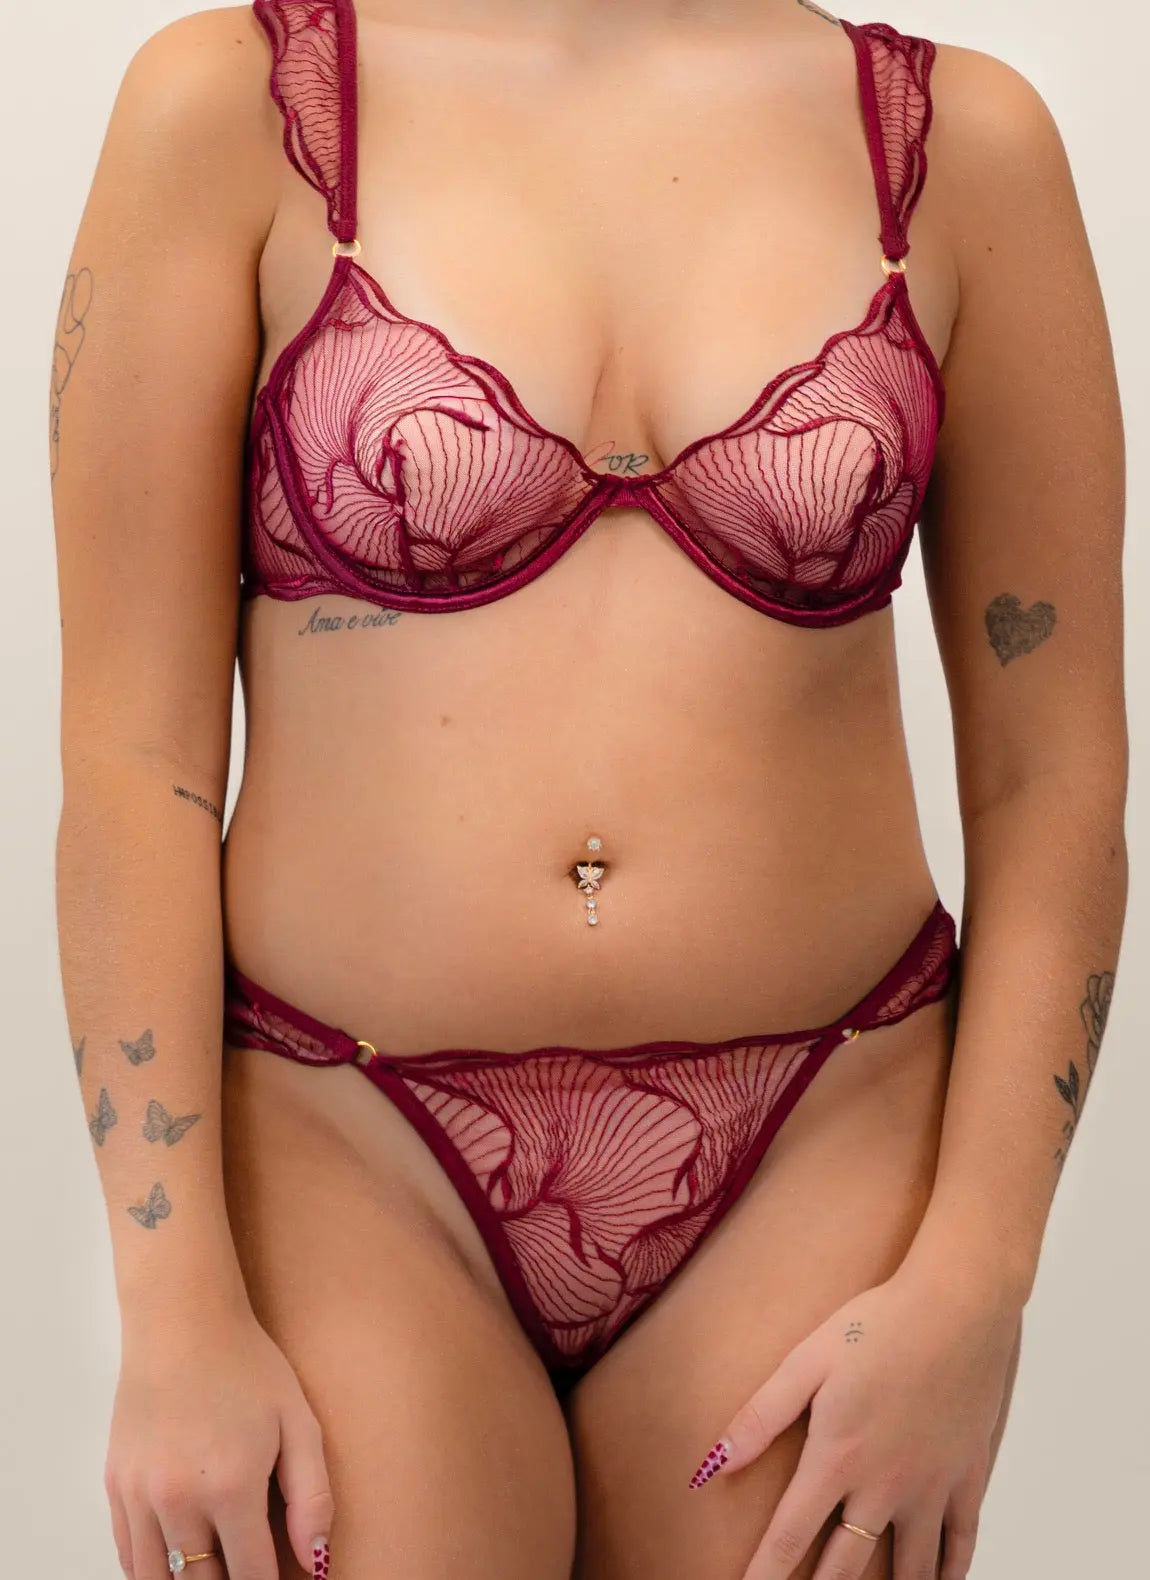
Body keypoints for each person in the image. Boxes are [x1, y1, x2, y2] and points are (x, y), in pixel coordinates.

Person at [50, 1, 1127, 1577]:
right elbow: (130, 760)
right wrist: (172, 1310)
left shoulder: (965, 146)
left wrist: (979, 1281)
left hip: (823, 1125)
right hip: (347, 1143)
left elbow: (1052, 776)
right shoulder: (229, 108)